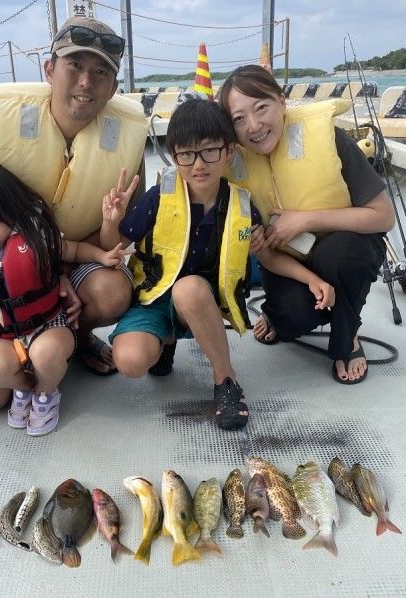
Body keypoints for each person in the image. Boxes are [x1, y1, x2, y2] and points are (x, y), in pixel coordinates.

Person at [0, 16, 149, 411]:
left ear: (113, 87)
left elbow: (123, 234)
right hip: (8, 278)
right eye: (75, 66)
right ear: (50, 70)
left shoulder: (128, 144)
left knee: (112, 291)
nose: (86, 82)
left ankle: (75, 338)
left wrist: (63, 266)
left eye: (101, 72)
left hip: (77, 260)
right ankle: (26, 365)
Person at [98, 98, 335, 430]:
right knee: (131, 362)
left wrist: (310, 278)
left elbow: (267, 256)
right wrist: (111, 221)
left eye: (210, 151)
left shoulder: (241, 206)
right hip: (153, 297)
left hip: (202, 301)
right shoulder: (158, 198)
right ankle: (166, 340)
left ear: (229, 152)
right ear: (175, 157)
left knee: (189, 289)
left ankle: (225, 379)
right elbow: (113, 246)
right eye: (187, 154)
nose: (199, 164)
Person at [218, 65, 395, 384]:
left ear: (281, 101)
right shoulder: (233, 166)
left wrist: (305, 220)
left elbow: (384, 216)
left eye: (261, 108)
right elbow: (264, 254)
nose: (254, 126)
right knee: (290, 322)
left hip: (346, 251)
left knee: (338, 254)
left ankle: (347, 339)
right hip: (288, 263)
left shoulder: (329, 139)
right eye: (239, 118)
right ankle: (277, 314)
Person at [0, 160, 129, 436]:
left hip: (47, 325)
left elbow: (73, 250)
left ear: (11, 210)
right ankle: (27, 387)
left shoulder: (35, 236)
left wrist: (101, 256)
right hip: (1, 335)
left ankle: (45, 393)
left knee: (46, 354)